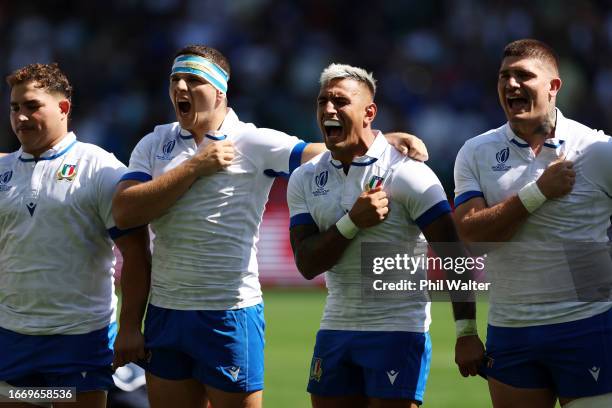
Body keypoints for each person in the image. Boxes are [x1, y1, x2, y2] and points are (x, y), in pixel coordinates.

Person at [110, 45, 428, 408]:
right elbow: (125, 212)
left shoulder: (252, 141)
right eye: (175, 80)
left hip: (229, 312)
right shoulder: (155, 144)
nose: (180, 87)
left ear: (219, 90)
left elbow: (323, 153)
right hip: (166, 312)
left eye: (192, 80)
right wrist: (196, 166)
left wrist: (382, 141)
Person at [287, 63, 485, 408]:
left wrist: (466, 332)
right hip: (335, 327)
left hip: (398, 331)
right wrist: (352, 222)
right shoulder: (304, 178)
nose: (328, 109)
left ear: (369, 112)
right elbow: (306, 263)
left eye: (340, 101)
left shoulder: (408, 173)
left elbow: (453, 254)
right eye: (322, 101)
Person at [454, 39, 612, 408]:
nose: (511, 84)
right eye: (504, 77)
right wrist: (537, 193)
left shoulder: (598, 151)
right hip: (511, 330)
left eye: (523, 75)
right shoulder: (476, 152)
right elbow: (471, 235)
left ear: (554, 86)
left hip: (588, 325)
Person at [0, 63, 150, 408]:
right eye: (14, 107)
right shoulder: (4, 171)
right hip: (13, 337)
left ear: (63, 108)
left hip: (79, 338)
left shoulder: (101, 169)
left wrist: (129, 327)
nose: (21, 117)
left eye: (32, 106)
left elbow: (137, 254)